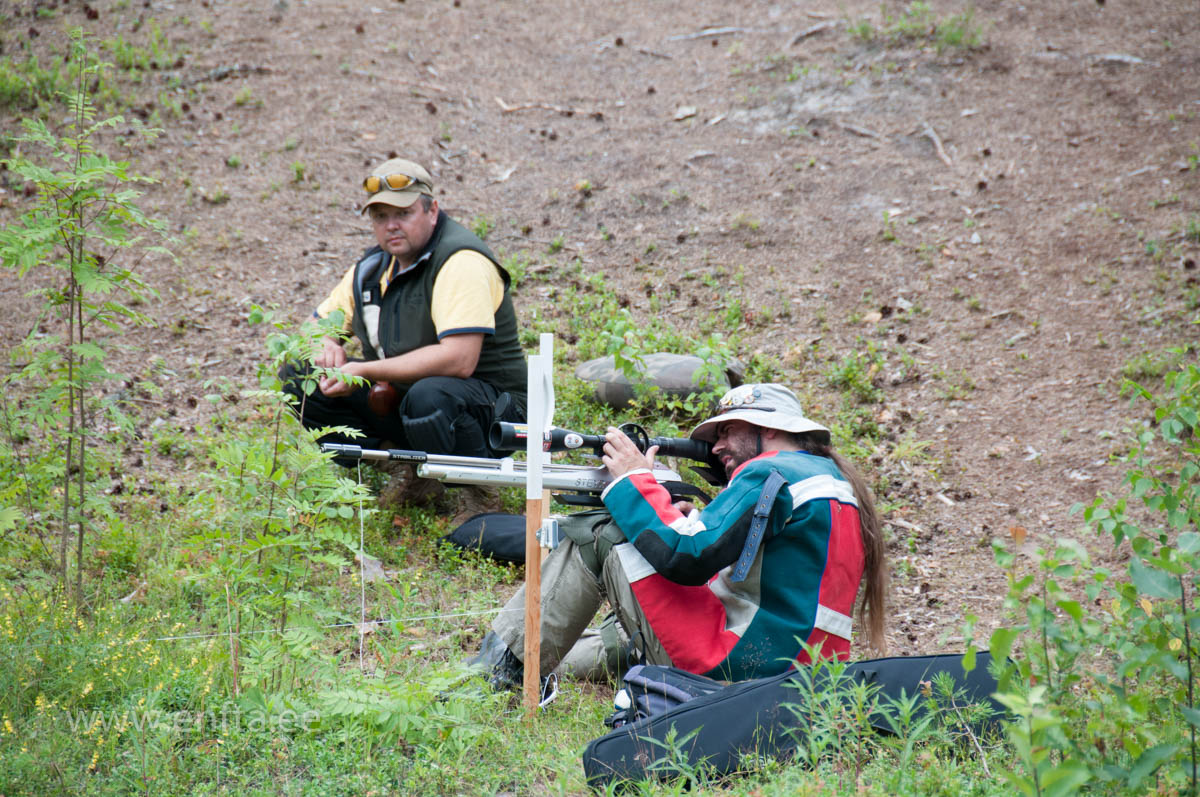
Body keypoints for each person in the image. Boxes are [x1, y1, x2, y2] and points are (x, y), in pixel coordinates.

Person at [471, 383, 887, 688]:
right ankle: (537, 665)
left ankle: (493, 674)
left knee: (597, 533)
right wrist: (682, 517)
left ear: (771, 428)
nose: (717, 446)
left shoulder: (770, 470)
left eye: (728, 430)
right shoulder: (829, 481)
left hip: (740, 667)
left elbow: (686, 555)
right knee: (626, 630)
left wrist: (634, 481)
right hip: (803, 673)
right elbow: (762, 571)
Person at [283, 158, 527, 522]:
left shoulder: (461, 261)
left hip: (494, 411)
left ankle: (477, 488)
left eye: (403, 213)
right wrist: (325, 344)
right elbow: (313, 326)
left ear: (432, 210)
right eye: (380, 216)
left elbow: (459, 360)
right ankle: (408, 470)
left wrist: (364, 370)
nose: (391, 225)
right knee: (300, 374)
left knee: (430, 395)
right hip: (408, 397)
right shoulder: (371, 268)